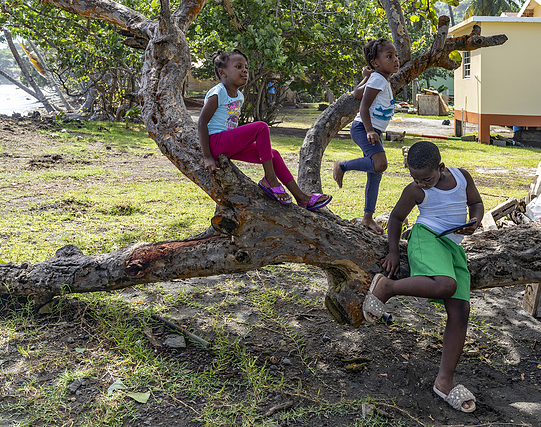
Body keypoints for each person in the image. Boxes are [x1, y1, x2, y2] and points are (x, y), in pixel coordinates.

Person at [362, 140, 484, 413]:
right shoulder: (416, 191)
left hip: (452, 246)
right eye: (415, 178)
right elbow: (396, 218)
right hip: (427, 237)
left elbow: (476, 202)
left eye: (426, 178)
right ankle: (387, 288)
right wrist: (393, 252)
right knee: (446, 285)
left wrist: (475, 221)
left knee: (461, 309)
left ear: (441, 168)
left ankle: (444, 381)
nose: (422, 183)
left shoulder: (462, 177)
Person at [198, 49, 331, 211]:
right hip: (216, 143)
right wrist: (207, 157)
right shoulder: (218, 92)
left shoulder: (239, 96)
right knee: (261, 127)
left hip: (228, 146)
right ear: (222, 72)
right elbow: (202, 122)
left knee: (273, 154)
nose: (245, 70)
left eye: (246, 67)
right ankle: (270, 179)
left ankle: (302, 198)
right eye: (238, 66)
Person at [332, 38, 399, 234]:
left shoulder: (379, 78)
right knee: (380, 164)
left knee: (375, 174)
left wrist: (364, 77)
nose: (395, 59)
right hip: (364, 129)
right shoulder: (378, 78)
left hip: (371, 130)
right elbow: (363, 106)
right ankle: (342, 165)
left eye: (396, 56)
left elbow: (356, 93)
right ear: (375, 62)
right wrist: (370, 130)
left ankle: (367, 218)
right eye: (389, 56)